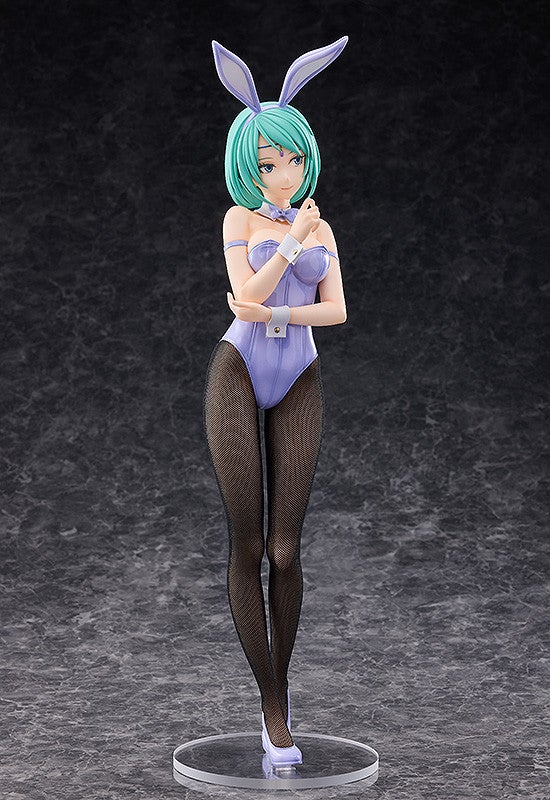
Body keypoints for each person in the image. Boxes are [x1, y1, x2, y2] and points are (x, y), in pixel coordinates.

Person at [204, 37, 348, 768]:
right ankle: (270, 709)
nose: (282, 174)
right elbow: (243, 296)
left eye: (291, 160)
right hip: (238, 369)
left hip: (299, 373)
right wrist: (291, 242)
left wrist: (282, 313)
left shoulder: (321, 224)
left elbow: (337, 311)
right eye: (267, 164)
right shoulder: (242, 220)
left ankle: (282, 703)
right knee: (248, 544)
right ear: (247, 167)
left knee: (286, 550)